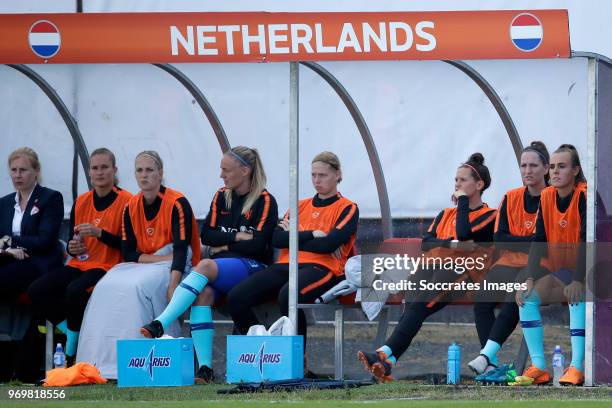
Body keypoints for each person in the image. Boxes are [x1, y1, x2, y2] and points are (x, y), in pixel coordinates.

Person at [140, 146, 278, 383]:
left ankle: (161, 323)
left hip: (253, 267)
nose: (221, 175)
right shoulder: (221, 195)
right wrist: (235, 238)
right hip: (223, 267)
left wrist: (223, 246)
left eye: (226, 170)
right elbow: (207, 236)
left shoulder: (265, 201)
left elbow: (257, 247)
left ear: (244, 171)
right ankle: (205, 368)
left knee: (204, 265)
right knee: (202, 294)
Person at [358, 153, 497, 382]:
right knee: (413, 304)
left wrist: (462, 202)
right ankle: (389, 362)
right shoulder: (445, 213)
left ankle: (383, 353)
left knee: (420, 305)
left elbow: (464, 233)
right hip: (431, 265)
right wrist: (451, 244)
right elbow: (427, 243)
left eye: (463, 180)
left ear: (479, 185)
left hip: (461, 271)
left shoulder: (490, 215)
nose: (457, 185)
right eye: (456, 181)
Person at [77, 150, 200, 379]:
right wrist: (159, 259)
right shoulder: (131, 205)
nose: (144, 176)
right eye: (139, 170)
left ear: (160, 174)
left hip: (179, 265)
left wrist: (174, 284)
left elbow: (181, 250)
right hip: (149, 262)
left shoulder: (176, 202)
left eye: (149, 170)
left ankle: (149, 357)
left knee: (137, 288)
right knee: (106, 286)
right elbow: (129, 253)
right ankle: (103, 361)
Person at [227, 151, 359, 346]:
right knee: (236, 297)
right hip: (286, 265)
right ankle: (260, 348)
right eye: (313, 175)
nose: (316, 180)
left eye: (322, 175)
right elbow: (276, 239)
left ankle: (298, 361)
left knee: (288, 295)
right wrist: (311, 234)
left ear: (338, 175)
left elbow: (328, 245)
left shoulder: (347, 207)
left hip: (323, 268)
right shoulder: (299, 206)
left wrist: (293, 236)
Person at [27, 148, 132, 366]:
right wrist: (74, 248)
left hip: (109, 265)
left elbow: (129, 246)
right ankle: (74, 333)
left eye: (105, 167)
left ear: (115, 170)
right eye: (95, 168)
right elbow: (75, 244)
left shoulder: (127, 201)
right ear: (89, 171)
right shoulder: (82, 200)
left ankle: (72, 352)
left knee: (74, 291)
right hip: (80, 263)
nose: (100, 172)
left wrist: (99, 233)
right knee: (36, 290)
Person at [467, 142, 550, 378]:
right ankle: (490, 362)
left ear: (546, 168)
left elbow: (545, 245)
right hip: (508, 261)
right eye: (523, 165)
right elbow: (500, 239)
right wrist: (531, 240)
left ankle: (485, 355)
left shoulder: (552, 197)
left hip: (540, 264)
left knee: (519, 292)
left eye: (533, 165)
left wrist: (527, 241)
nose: (527, 170)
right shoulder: (511, 197)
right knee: (483, 298)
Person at [514, 144, 587, 386]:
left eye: (562, 166)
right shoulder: (546, 196)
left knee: (577, 295)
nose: (554, 172)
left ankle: (577, 367)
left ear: (575, 170)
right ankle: (540, 368)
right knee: (526, 296)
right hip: (564, 271)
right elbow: (539, 240)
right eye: (553, 167)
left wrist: (578, 280)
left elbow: (586, 241)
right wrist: (529, 277)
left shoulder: (584, 195)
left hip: (590, 269)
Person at [0, 147, 64, 301]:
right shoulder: (5, 202)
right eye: (14, 170)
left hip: (38, 261)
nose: (17, 175)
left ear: (37, 171)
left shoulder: (51, 198)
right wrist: (8, 250)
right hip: (9, 258)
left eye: (23, 170)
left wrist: (10, 241)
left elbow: (44, 241)